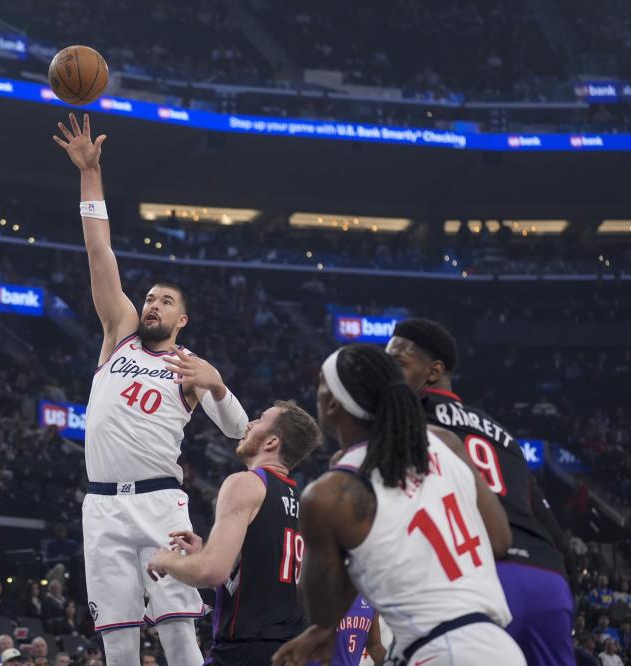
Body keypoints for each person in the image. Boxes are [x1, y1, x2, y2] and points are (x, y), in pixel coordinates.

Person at [53, 112, 250, 666]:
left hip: (160, 502)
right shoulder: (119, 333)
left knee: (178, 634)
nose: (152, 304)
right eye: (150, 297)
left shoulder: (190, 366)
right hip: (101, 505)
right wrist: (90, 173)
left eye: (165, 301)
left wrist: (217, 385)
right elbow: (100, 252)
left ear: (181, 319)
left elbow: (241, 434)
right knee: (116, 641)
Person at [271, 344, 523, 666]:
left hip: (437, 651)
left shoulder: (330, 495)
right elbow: (500, 540)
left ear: (332, 403)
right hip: (501, 646)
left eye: (320, 384)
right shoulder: (446, 442)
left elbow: (323, 611)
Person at [387, 318, 575, 665]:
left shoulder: (408, 420)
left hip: (479, 576)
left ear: (433, 371)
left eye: (396, 362)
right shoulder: (503, 434)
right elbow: (548, 523)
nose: (387, 373)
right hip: (548, 578)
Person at [147, 401, 322, 665]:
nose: (249, 424)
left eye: (260, 419)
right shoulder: (304, 503)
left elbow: (211, 572)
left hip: (246, 650)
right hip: (291, 652)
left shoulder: (245, 483)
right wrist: (203, 555)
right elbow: (257, 582)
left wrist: (166, 560)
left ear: (272, 442)